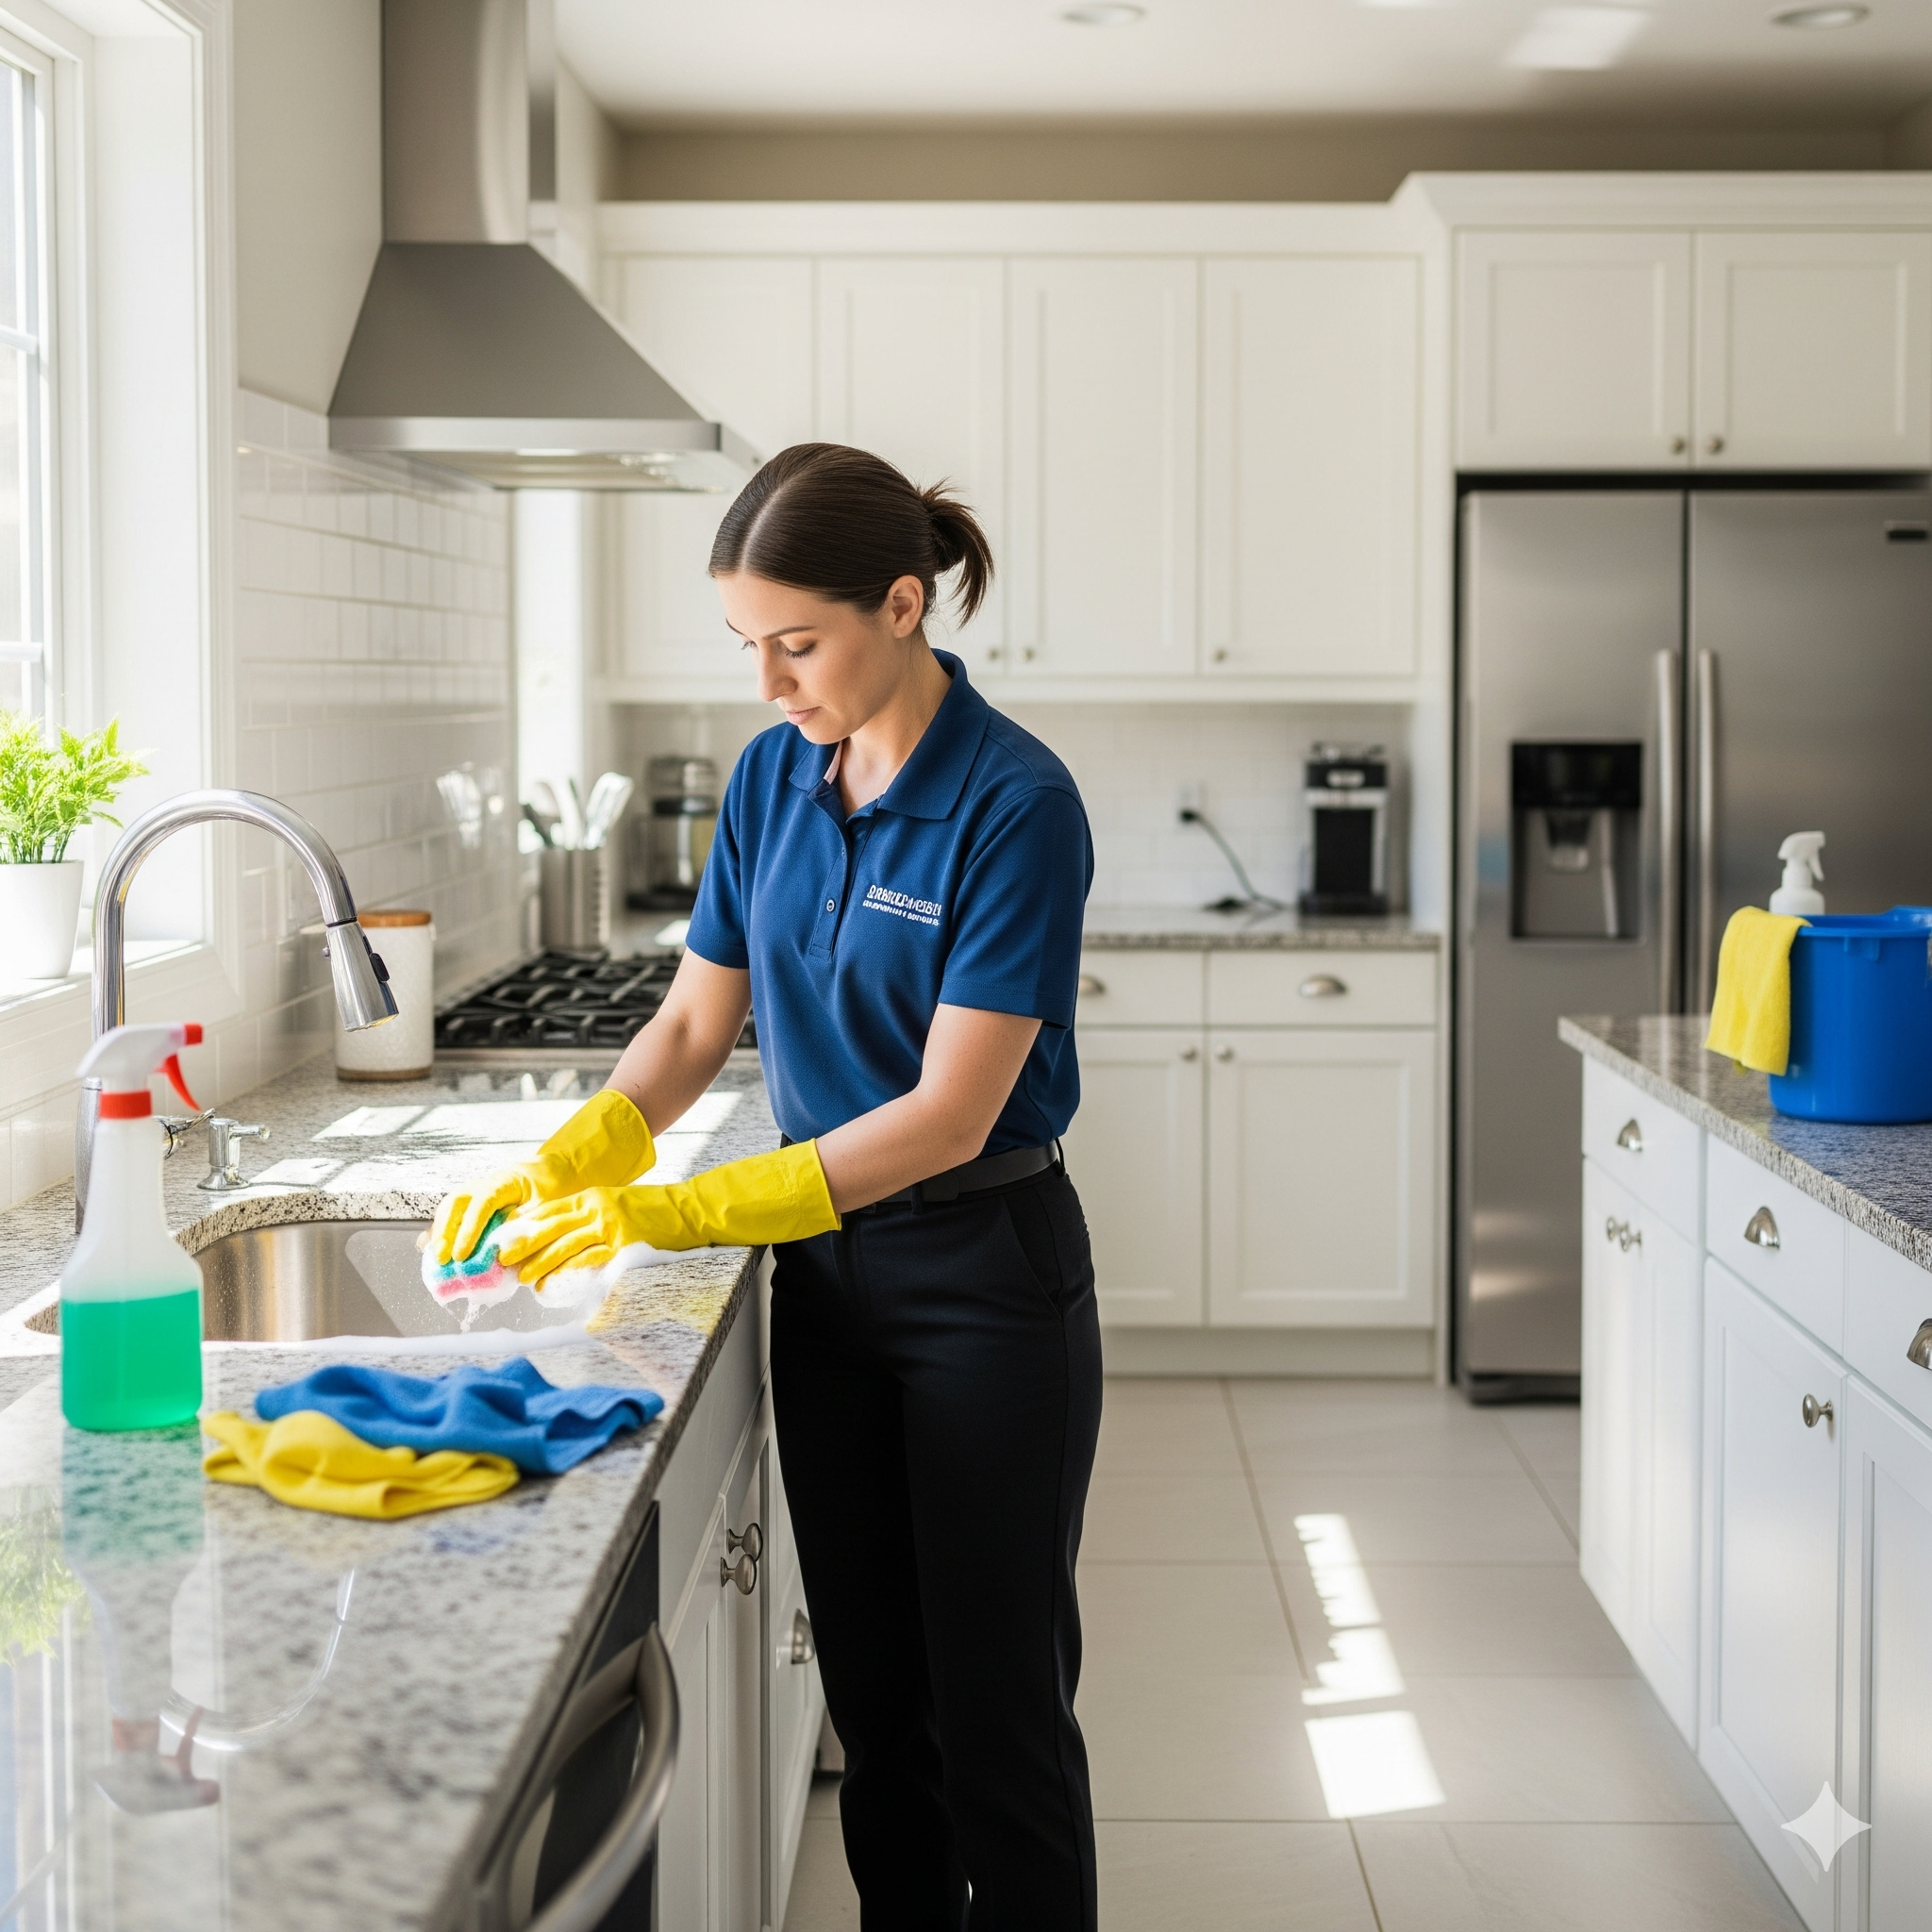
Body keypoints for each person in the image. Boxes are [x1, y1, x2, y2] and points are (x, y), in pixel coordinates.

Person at [432, 442, 1102, 1929]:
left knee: (1001, 1725)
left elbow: (946, 1113)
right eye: (751, 647)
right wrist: (578, 1152)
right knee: (880, 1720)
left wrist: (678, 1207)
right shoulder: (769, 782)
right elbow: (690, 1022)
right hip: (834, 1288)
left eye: (795, 644)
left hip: (986, 1277)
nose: (770, 683)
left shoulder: (1016, 802)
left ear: (905, 604)